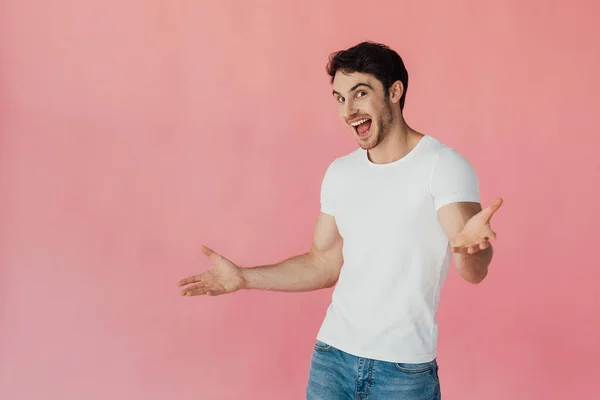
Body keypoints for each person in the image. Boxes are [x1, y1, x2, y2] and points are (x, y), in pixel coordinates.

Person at [177, 41, 502, 400]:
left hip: (403, 372)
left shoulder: (442, 165)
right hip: (332, 359)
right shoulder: (341, 172)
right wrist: (243, 277)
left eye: (360, 93)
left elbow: (474, 270)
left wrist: (472, 249)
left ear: (394, 91)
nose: (349, 110)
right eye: (340, 98)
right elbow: (324, 263)